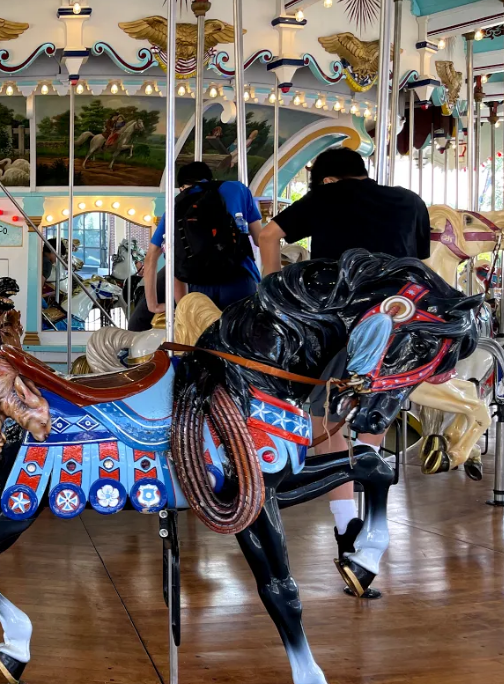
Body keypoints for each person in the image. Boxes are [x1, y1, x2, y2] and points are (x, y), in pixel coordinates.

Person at [257, 146, 430, 559]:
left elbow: (267, 235)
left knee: (325, 415)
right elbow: (420, 264)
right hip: (399, 323)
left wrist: (273, 288)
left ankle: (345, 523)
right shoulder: (411, 201)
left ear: (328, 179)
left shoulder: (327, 195)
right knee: (376, 411)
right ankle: (371, 509)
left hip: (342, 319)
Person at [143, 161, 263, 314]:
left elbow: (151, 256)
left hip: (198, 285)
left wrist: (153, 305)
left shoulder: (176, 207)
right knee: (242, 328)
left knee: (202, 329)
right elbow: (260, 239)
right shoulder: (238, 189)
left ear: (182, 187)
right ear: (210, 179)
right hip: (239, 278)